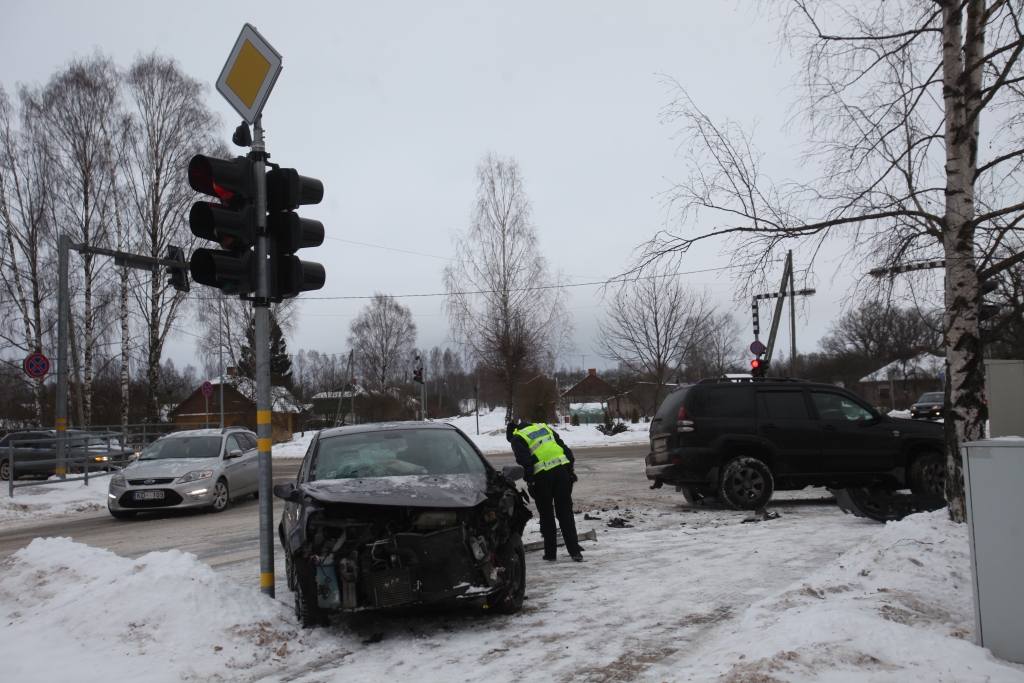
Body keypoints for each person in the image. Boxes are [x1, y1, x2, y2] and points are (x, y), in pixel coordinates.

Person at [506, 419, 584, 562]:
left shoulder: (518, 438)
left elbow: (525, 462)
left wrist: (530, 482)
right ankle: (575, 552)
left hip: (543, 476)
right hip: (561, 471)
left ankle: (550, 554)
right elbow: (564, 449)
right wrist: (569, 470)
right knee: (565, 512)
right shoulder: (543, 427)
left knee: (547, 515)